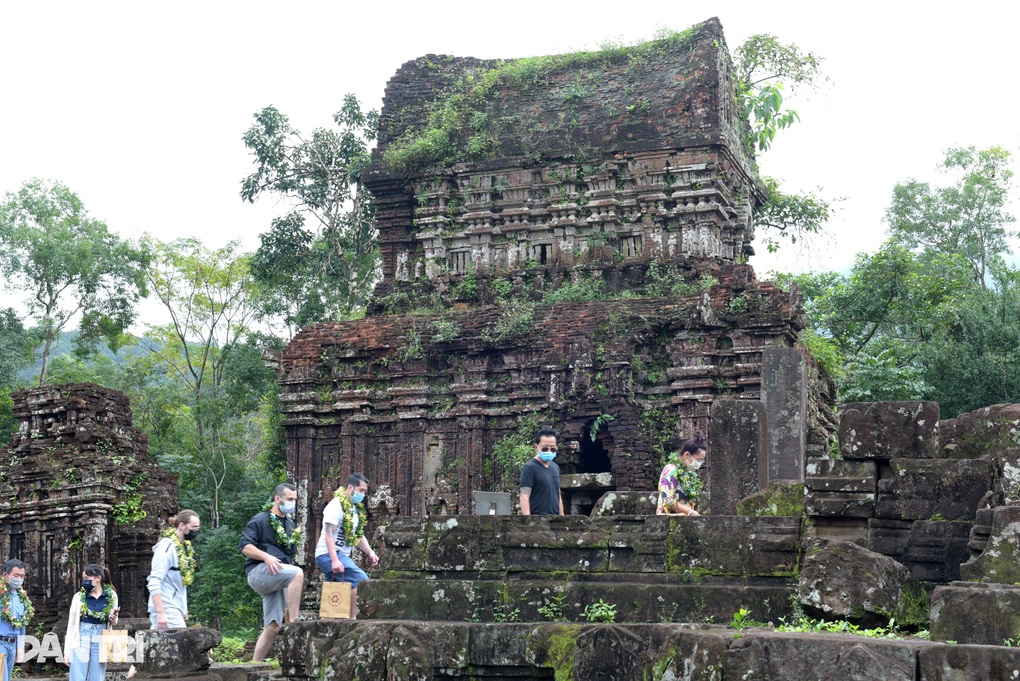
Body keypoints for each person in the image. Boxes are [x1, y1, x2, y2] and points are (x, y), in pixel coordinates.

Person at [239, 482, 305, 662]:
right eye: (289, 499)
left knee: (273, 627)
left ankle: (253, 665)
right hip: (258, 572)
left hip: (277, 576)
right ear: (278, 499)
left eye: (295, 499)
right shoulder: (260, 519)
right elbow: (244, 547)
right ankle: (294, 623)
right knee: (297, 573)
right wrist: (265, 557)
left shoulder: (290, 525)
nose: (293, 503)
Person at [314, 473, 380, 619]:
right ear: (350, 488)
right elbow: (329, 534)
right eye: (361, 490)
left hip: (340, 555)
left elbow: (358, 535)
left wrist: (370, 553)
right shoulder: (335, 506)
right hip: (328, 553)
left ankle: (328, 621)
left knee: (334, 588)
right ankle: (351, 619)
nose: (363, 494)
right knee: (361, 580)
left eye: (364, 491)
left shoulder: (354, 509)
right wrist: (334, 560)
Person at [64, 564, 119, 681]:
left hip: (102, 635)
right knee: (77, 676)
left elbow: (114, 623)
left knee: (97, 677)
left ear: (98, 578)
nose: (84, 581)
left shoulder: (111, 595)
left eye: (87, 579)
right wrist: (67, 650)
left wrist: (113, 618)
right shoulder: (78, 597)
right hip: (82, 635)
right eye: (83, 578)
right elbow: (71, 624)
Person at [147, 510, 200, 629]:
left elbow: (179, 583)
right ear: (181, 525)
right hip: (166, 608)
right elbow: (154, 581)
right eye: (194, 527)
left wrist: (183, 608)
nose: (196, 531)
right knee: (182, 645)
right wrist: (161, 613)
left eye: (197, 528)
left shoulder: (183, 548)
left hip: (175, 608)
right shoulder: (167, 546)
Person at [656, 434, 708, 516]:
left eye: (702, 461)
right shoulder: (671, 470)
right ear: (687, 455)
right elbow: (667, 501)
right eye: (698, 460)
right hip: (668, 518)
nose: (699, 464)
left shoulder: (688, 474)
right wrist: (690, 512)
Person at [519, 427, 564, 516]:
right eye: (545, 448)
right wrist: (528, 521)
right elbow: (524, 496)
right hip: (537, 518)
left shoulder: (555, 467)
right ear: (536, 447)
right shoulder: (530, 467)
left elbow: (558, 495)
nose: (549, 451)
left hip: (555, 519)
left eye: (553, 449)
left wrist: (562, 517)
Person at [0, 559, 32, 681]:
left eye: (22, 576)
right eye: (16, 575)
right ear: (5, 575)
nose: (19, 579)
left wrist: (20, 648)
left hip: (12, 644)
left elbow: (21, 624)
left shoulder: (21, 597)